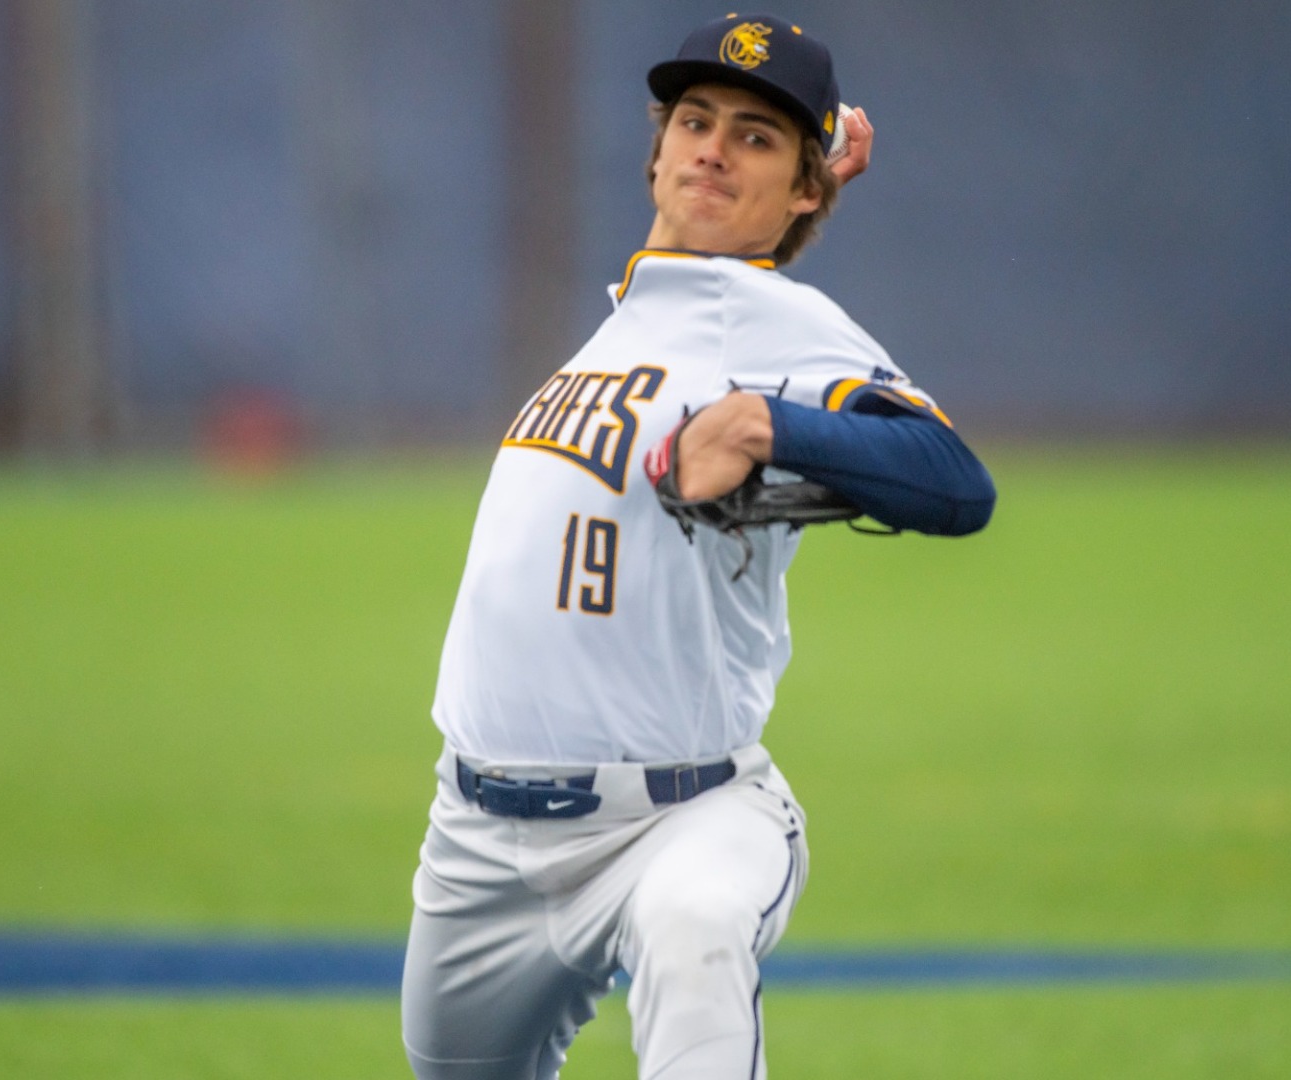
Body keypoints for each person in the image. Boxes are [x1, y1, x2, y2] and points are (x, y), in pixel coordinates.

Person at [401, 13, 996, 1079]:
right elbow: (723, 297)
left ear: (807, 184)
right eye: (695, 121)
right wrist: (782, 205)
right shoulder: (644, 311)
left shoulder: (765, 317)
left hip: (679, 824)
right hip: (477, 842)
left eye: (758, 137)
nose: (714, 147)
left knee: (694, 931)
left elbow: (957, 484)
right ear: (658, 150)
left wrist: (773, 425)